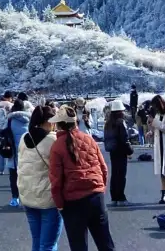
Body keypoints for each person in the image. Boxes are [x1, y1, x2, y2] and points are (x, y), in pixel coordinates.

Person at [49, 104, 116, 251]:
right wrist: (100, 189)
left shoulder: (57, 146)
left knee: (78, 245)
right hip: (96, 196)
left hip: (73, 201)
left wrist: (59, 204)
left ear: (59, 124)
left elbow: (56, 180)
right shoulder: (88, 139)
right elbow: (103, 168)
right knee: (105, 243)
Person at [18, 105, 62, 251]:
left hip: (27, 195)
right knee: (48, 244)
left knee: (37, 241)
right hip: (48, 198)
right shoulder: (53, 140)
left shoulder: (24, 138)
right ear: (48, 122)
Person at [104, 99, 133, 206]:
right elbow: (125, 139)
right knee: (121, 175)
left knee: (114, 174)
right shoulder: (121, 123)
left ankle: (114, 198)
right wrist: (130, 151)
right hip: (121, 152)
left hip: (113, 151)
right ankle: (121, 197)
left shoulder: (108, 123)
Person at [6, 98, 33, 207]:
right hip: (27, 151)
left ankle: (15, 198)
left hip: (13, 151)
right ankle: (28, 198)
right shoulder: (29, 120)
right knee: (27, 176)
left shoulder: (10, 120)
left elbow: (4, 133)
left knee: (13, 177)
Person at [0, 91, 14, 174]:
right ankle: (10, 166)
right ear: (10, 98)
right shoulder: (11, 105)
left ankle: (1, 169)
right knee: (9, 146)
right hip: (8, 128)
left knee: (1, 147)